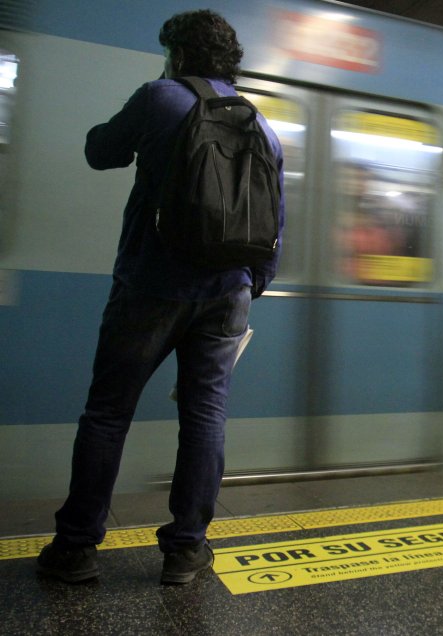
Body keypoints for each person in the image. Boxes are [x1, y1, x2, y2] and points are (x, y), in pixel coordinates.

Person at [36, 10, 284, 585]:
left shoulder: (159, 96)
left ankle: (75, 547)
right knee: (204, 417)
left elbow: (101, 151)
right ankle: (185, 550)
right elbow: (275, 223)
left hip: (150, 287)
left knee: (108, 413)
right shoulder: (262, 124)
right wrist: (248, 288)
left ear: (176, 53)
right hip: (230, 293)